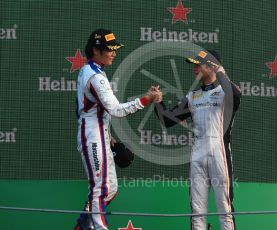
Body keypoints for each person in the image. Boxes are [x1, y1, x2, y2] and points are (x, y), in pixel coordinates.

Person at [74, 29, 161, 230]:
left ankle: (82, 227)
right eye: (110, 49)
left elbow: (93, 109)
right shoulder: (95, 76)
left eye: (115, 49)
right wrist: (146, 99)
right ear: (96, 50)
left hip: (99, 133)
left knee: (110, 189)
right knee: (99, 190)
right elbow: (115, 110)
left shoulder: (94, 70)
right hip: (92, 136)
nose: (114, 53)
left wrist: (108, 135)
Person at [154, 50, 241, 230]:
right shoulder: (193, 97)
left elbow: (237, 94)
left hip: (220, 153)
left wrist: (220, 72)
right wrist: (158, 102)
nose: (194, 69)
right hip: (197, 154)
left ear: (211, 66)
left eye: (198, 65)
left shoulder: (225, 92)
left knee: (224, 209)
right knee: (196, 211)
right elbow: (167, 120)